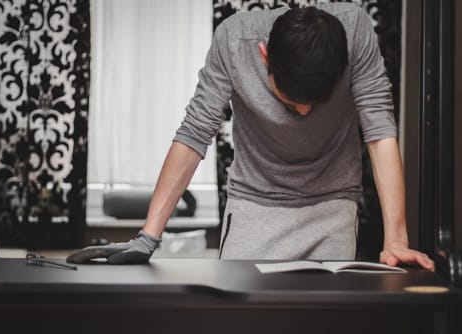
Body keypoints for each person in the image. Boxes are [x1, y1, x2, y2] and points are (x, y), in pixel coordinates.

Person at [67, 3, 434, 271]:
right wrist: (148, 236)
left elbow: (380, 130)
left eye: (314, 102)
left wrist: (397, 240)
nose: (304, 113)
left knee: (319, 331)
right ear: (264, 56)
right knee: (241, 328)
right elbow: (195, 133)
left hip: (331, 205)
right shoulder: (235, 40)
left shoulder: (356, 33)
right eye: (291, 99)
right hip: (253, 207)